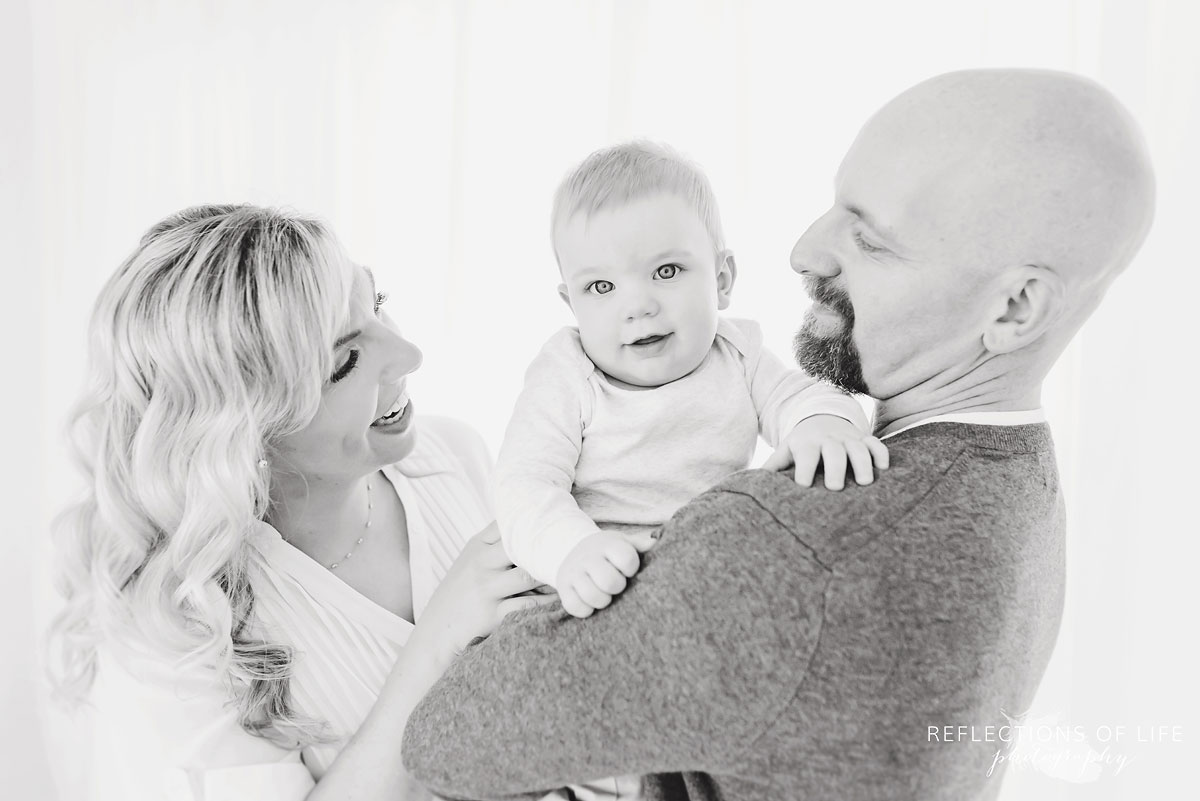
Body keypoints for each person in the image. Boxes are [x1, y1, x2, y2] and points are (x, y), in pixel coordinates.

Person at [401, 68, 1156, 801]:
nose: (803, 250)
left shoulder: (790, 548)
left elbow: (444, 737)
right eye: (835, 205)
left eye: (871, 238)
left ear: (1015, 308)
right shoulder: (1022, 481)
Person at [48, 204, 557, 801]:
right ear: (245, 428)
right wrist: (437, 642)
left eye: (378, 302)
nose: (408, 354)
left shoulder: (454, 458)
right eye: (345, 361)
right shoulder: (178, 627)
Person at [498, 141, 887, 624]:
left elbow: (800, 397)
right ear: (571, 303)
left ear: (722, 280)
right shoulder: (567, 374)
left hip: (705, 572)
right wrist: (571, 550)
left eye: (666, 271)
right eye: (602, 287)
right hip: (593, 585)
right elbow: (523, 487)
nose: (637, 305)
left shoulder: (736, 353)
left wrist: (823, 423)